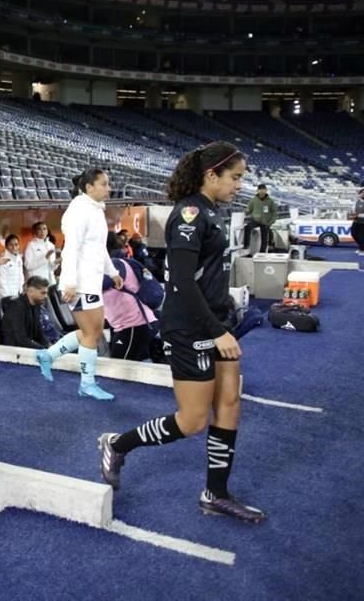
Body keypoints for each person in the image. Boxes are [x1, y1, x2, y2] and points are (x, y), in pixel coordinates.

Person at [97, 141, 267, 524]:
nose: (239, 185)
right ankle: (117, 443)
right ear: (212, 175)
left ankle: (216, 493)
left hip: (214, 321)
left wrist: (224, 322)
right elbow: (183, 285)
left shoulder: (210, 210)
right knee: (192, 421)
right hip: (190, 327)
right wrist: (216, 331)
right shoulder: (190, 214)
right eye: (235, 177)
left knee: (230, 406)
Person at [36, 168, 122, 401]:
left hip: (91, 282)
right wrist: (70, 283)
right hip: (80, 284)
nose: (109, 188)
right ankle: (86, 384)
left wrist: (112, 272)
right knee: (93, 332)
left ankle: (48, 356)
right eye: (104, 184)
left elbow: (99, 248)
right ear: (89, 188)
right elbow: (71, 248)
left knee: (90, 331)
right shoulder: (77, 211)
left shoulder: (95, 211)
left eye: (108, 184)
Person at [102, 258, 158, 361]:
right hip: (133, 325)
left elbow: (98, 284)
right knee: (139, 363)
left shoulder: (115, 264)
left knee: (118, 366)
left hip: (134, 326)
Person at [0, 276, 51, 348]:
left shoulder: (37, 305)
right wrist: (43, 349)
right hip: (14, 351)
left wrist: (49, 347)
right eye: (43, 293)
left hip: (28, 347)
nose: (46, 296)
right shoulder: (16, 307)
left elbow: (39, 333)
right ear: (31, 291)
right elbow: (20, 340)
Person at [243, 184, 278, 253]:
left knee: (264, 238)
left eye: (263, 190)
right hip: (255, 220)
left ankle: (262, 252)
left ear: (266, 191)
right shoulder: (253, 200)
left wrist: (271, 222)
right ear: (257, 191)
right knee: (247, 227)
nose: (262, 191)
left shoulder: (270, 201)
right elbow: (248, 210)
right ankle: (246, 244)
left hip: (265, 222)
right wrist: (243, 213)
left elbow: (274, 213)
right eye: (260, 190)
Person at [0, 234, 24, 301]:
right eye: (11, 245)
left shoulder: (18, 258)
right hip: (3, 297)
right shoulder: (2, 258)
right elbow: (0, 282)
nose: (14, 247)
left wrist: (21, 291)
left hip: (15, 295)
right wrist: (7, 299)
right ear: (6, 246)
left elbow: (20, 276)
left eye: (16, 244)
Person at [349, 188, 364, 255]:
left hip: (363, 222)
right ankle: (361, 247)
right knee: (353, 234)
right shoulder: (356, 202)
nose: (363, 194)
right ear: (360, 194)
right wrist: (352, 215)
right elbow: (353, 211)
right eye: (362, 192)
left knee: (361, 236)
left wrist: (358, 215)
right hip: (356, 221)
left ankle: (362, 249)